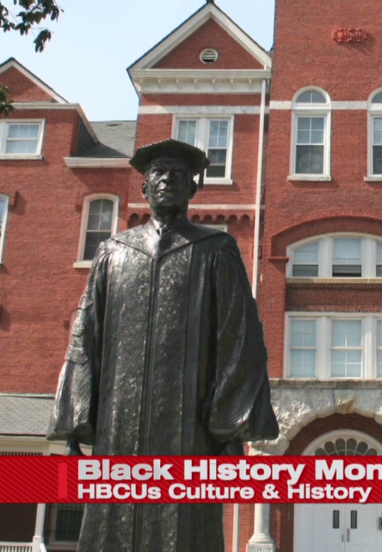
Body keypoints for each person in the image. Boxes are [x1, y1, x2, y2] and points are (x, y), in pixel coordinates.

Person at [48, 139, 279, 552]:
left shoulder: (215, 250)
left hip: (189, 427)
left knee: (185, 528)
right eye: (158, 172)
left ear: (193, 189)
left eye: (178, 174)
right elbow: (86, 335)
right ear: (144, 189)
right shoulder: (113, 253)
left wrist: (230, 430)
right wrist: (73, 425)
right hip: (118, 426)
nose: (168, 179)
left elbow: (239, 338)